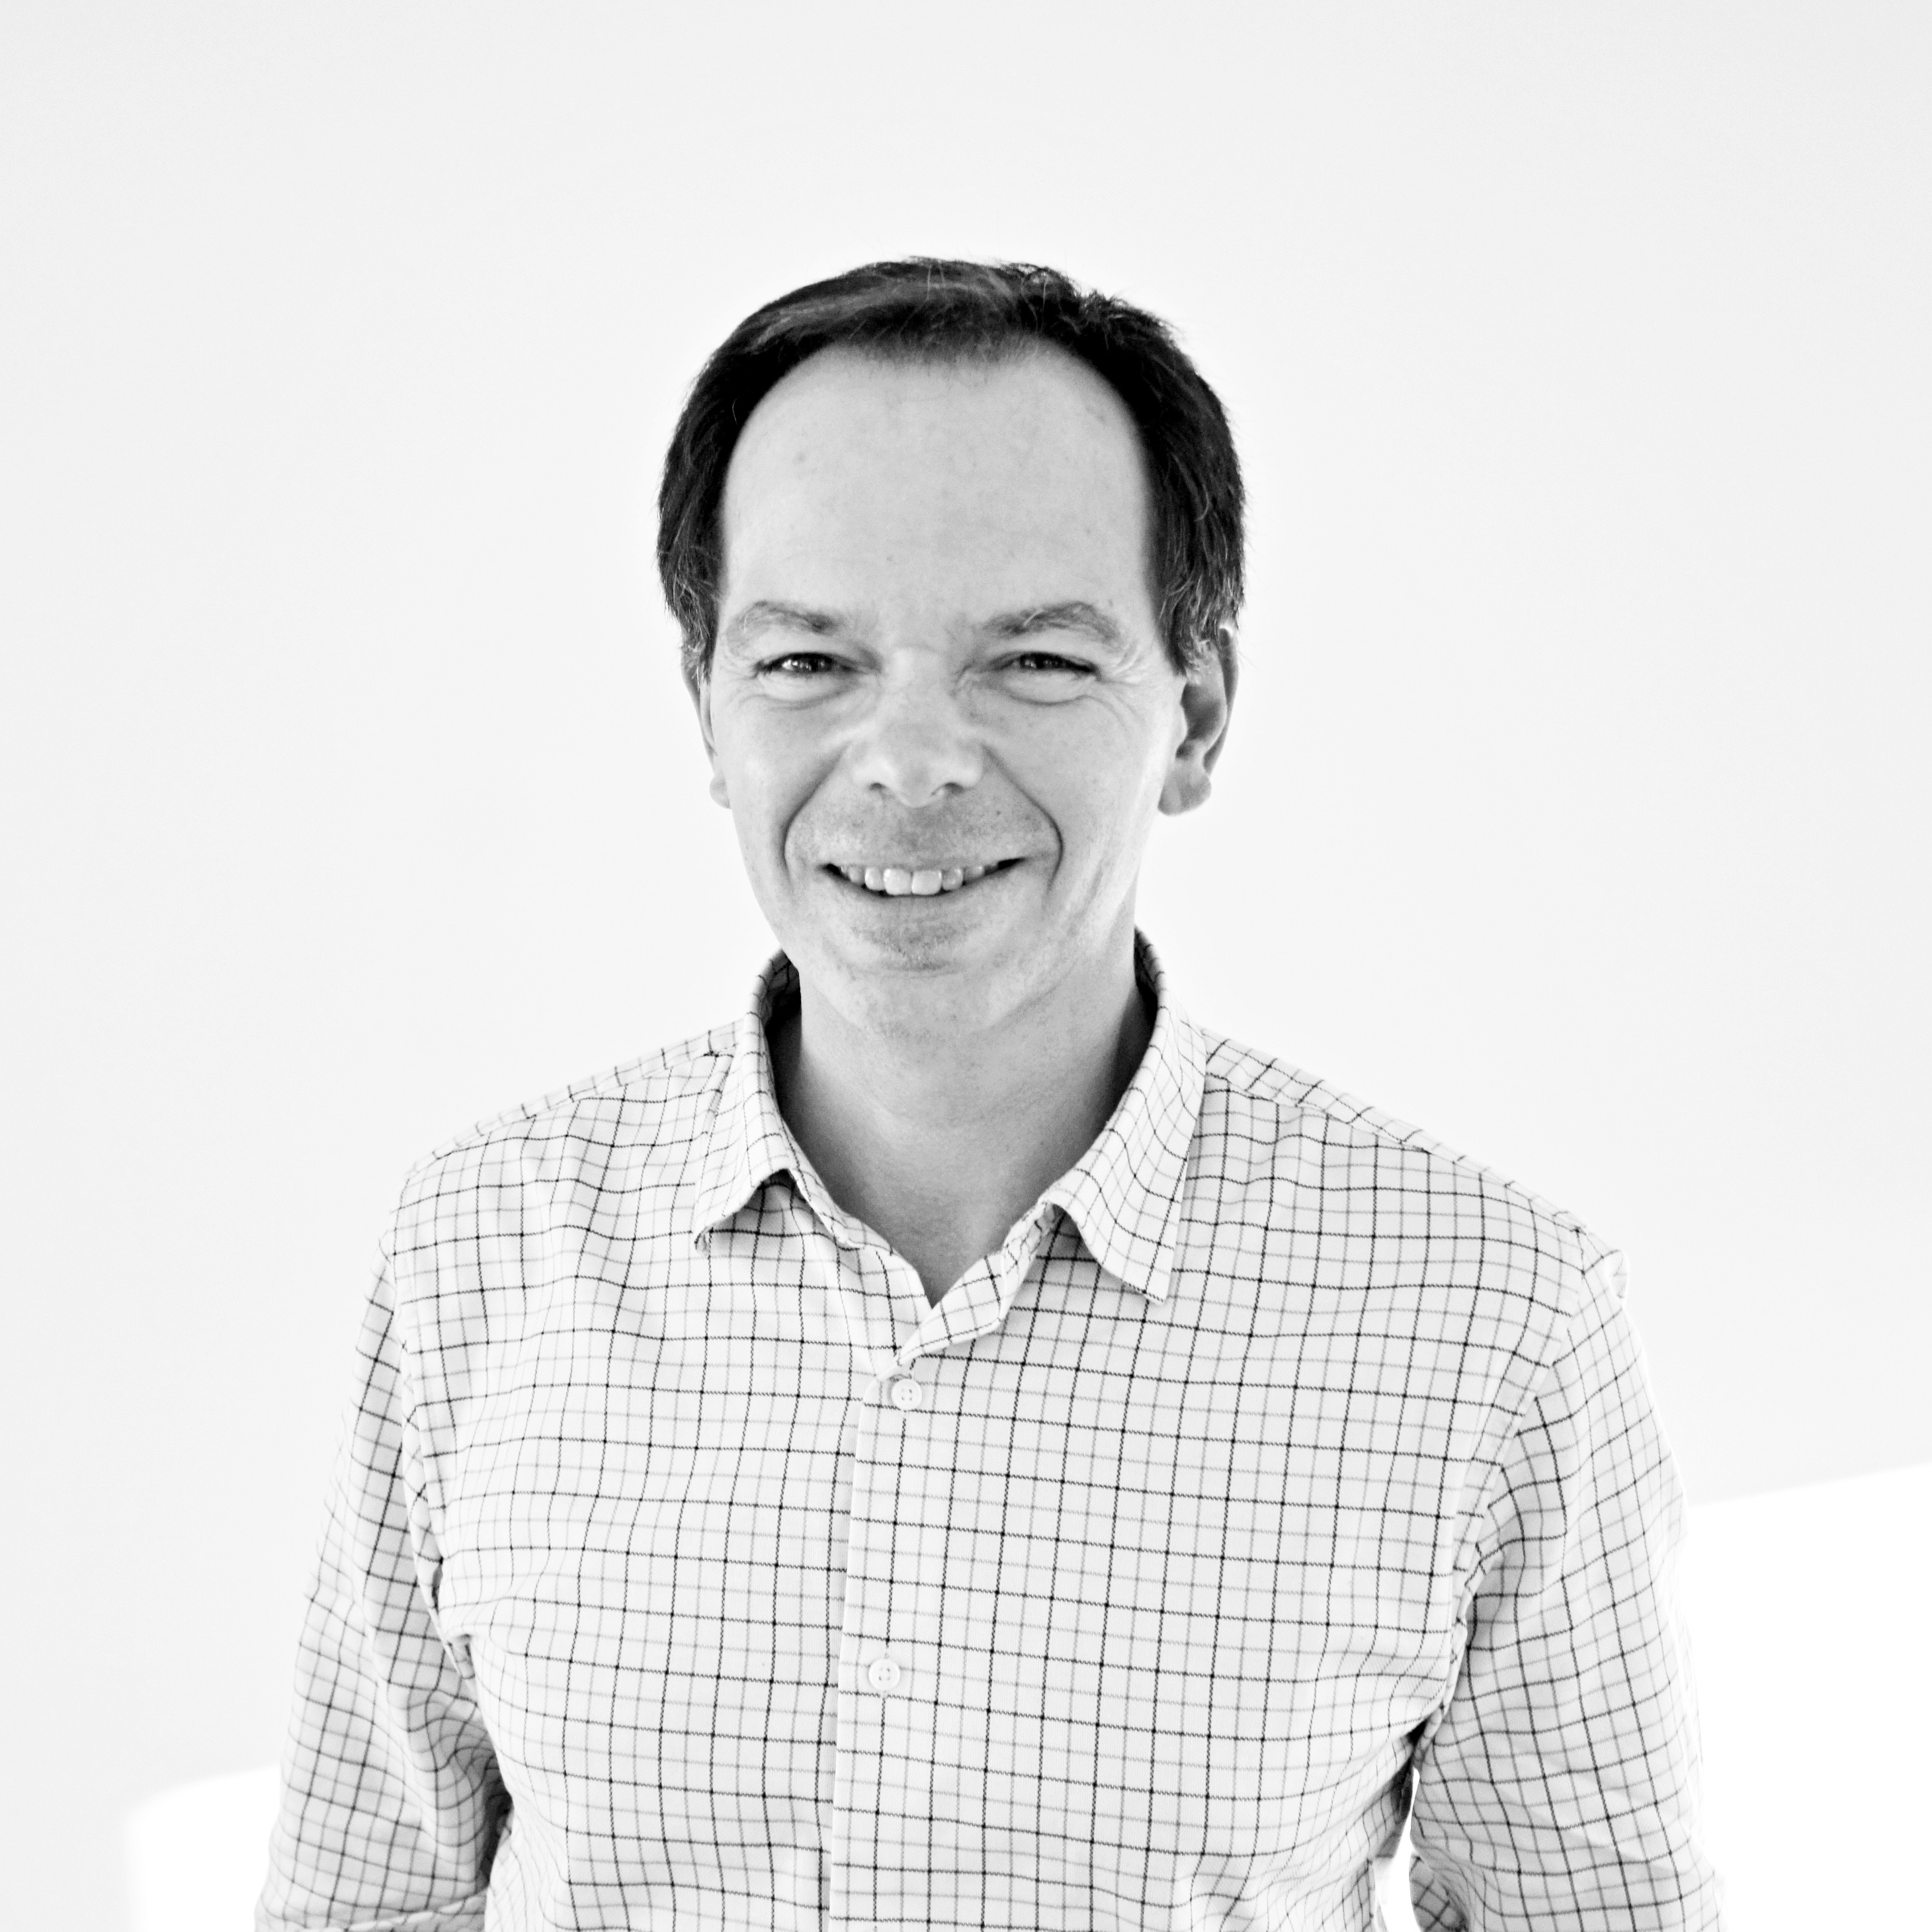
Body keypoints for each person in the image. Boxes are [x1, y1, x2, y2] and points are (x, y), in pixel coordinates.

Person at [259, 259, 1722, 1931]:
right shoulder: (481, 1247)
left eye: (1031, 659)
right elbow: (362, 1902)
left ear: (1197, 715)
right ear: (708, 709)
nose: (911, 760)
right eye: (808, 661)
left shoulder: (1498, 1321)